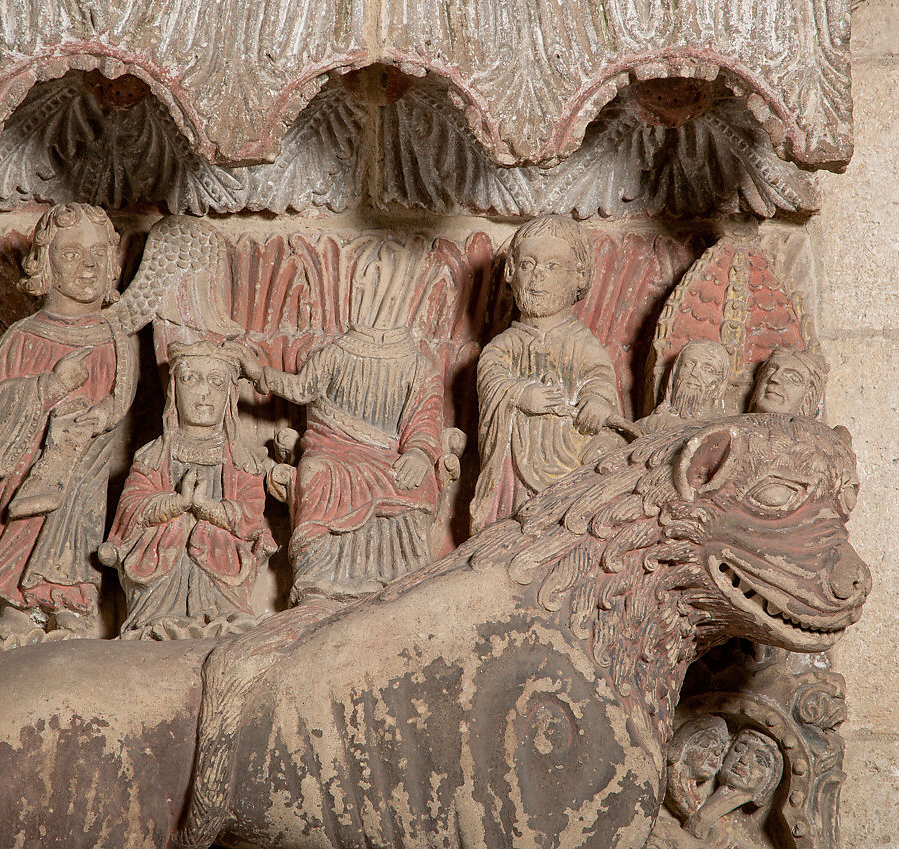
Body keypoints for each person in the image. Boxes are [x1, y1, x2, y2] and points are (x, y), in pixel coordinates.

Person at [0, 203, 137, 638]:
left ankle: (69, 600)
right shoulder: (23, 337)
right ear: (45, 264)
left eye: (99, 253)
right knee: (21, 514)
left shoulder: (116, 336)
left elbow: (122, 400)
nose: (89, 264)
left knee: (77, 519)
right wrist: (50, 388)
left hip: (86, 464)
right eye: (72, 253)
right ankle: (13, 599)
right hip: (26, 466)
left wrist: (96, 418)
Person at [237, 325, 443, 604]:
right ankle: (316, 580)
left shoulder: (419, 366)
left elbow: (425, 420)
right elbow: (301, 388)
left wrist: (420, 453)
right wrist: (259, 374)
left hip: (385, 455)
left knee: (412, 480)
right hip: (331, 446)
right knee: (313, 473)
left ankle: (402, 576)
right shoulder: (337, 352)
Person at [103, 341, 276, 636]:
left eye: (216, 382)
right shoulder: (153, 454)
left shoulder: (242, 459)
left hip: (220, 554)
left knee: (211, 533)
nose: (203, 391)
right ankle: (157, 618)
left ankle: (220, 614)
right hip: (161, 554)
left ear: (229, 396)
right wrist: (176, 504)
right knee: (172, 527)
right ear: (173, 391)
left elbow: (251, 514)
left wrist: (208, 509)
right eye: (190, 379)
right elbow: (131, 506)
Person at [470, 215, 621, 534]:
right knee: (508, 535)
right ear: (511, 271)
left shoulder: (583, 345)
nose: (538, 276)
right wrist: (520, 396)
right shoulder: (502, 347)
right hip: (513, 477)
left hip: (568, 469)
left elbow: (600, 379)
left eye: (553, 266)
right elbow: (491, 380)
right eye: (528, 264)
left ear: (579, 276)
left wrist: (597, 401)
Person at [640, 340, 732, 433]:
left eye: (708, 369)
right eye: (689, 364)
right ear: (675, 373)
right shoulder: (647, 425)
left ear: (720, 383)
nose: (694, 372)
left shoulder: (722, 431)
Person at [748, 347, 828, 416]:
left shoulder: (818, 433)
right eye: (770, 371)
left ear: (809, 393)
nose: (774, 378)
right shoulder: (737, 427)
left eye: (792, 378)